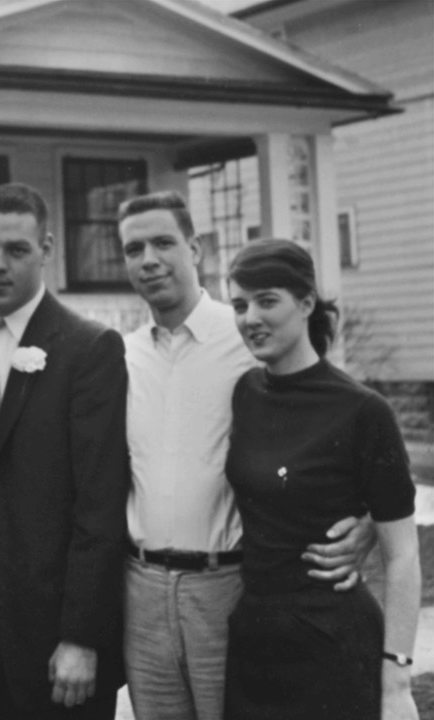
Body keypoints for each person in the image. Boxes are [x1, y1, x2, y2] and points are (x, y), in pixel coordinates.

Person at [118, 190, 373, 720]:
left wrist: (368, 517)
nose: (148, 259)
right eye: (133, 248)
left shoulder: (248, 336)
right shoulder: (122, 355)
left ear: (196, 249)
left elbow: (337, 414)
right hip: (141, 591)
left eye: (164, 242)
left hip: (226, 586)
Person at [0, 183, 129, 719]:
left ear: (46, 249)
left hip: (43, 615)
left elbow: (100, 505)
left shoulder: (88, 348)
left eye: (16, 250)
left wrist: (81, 637)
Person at [224, 239, 419, 720]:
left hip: (333, 642)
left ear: (307, 303)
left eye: (267, 300)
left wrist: (395, 681)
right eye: (240, 304)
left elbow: (404, 555)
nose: (251, 317)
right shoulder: (245, 393)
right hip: (255, 643)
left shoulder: (362, 410)